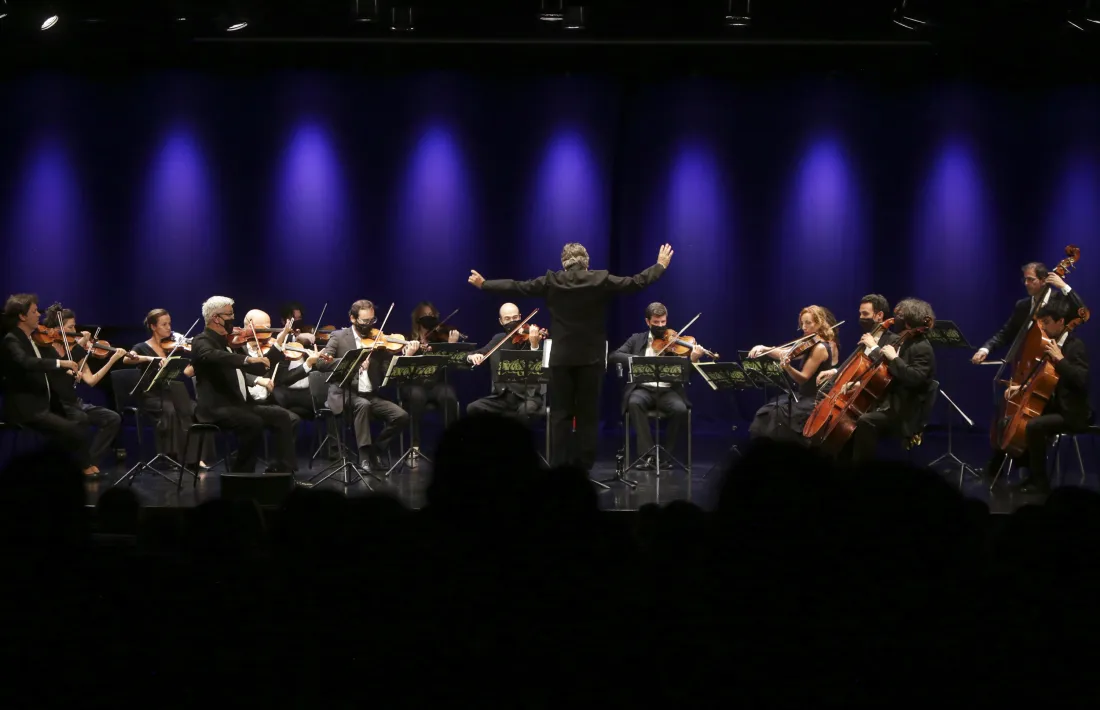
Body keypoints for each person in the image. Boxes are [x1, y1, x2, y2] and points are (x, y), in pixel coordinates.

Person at [468, 242, 674, 470]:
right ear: (587, 263)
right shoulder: (600, 279)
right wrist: (660, 266)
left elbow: (517, 287)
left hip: (561, 359)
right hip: (591, 360)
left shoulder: (551, 281)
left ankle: (559, 467)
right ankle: (583, 467)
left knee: (560, 415)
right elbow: (636, 282)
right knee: (587, 416)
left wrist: (484, 284)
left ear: (564, 264)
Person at [985, 302, 1090, 494]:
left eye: (1047, 322)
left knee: (1033, 426)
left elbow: (1081, 379)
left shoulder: (1074, 346)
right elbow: (1042, 378)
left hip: (1071, 412)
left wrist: (1060, 360)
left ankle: (1040, 483)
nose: (1045, 327)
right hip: (1053, 407)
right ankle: (1021, 472)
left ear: (1060, 322)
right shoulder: (1051, 345)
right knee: (1013, 421)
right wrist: (1020, 387)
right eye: (1042, 323)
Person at [189, 296, 300, 473]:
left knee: (282, 416)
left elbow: (258, 367)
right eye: (230, 314)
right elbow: (210, 355)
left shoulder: (230, 343)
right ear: (216, 318)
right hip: (215, 408)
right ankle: (240, 474)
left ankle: (284, 471)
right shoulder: (202, 341)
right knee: (252, 422)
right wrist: (247, 358)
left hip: (238, 405)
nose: (233, 318)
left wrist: (278, 344)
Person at [0, 294, 94, 474]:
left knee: (78, 422)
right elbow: (26, 362)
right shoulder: (12, 339)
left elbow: (49, 366)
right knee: (71, 430)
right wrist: (60, 363)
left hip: (44, 403)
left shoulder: (31, 339)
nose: (39, 315)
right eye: (34, 311)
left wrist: (68, 365)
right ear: (22, 316)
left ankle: (64, 470)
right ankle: (67, 472)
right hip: (26, 407)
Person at [317, 299, 414, 472]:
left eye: (372, 320)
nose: (369, 325)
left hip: (370, 395)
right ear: (353, 319)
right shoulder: (339, 337)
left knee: (401, 416)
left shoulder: (378, 340)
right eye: (364, 321)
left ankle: (376, 451)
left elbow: (387, 372)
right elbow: (321, 363)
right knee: (363, 405)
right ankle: (364, 458)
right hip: (344, 393)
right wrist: (352, 362)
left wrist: (406, 356)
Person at [609, 302, 705, 468]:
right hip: (643, 388)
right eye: (656, 323)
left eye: (663, 322)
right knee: (634, 402)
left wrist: (694, 359)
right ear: (648, 322)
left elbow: (687, 373)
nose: (661, 326)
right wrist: (639, 361)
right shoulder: (637, 339)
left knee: (680, 409)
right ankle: (649, 456)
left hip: (668, 390)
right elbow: (614, 356)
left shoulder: (675, 342)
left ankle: (666, 457)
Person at [39, 304, 130, 478]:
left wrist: (112, 360)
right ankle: (82, 464)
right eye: (71, 327)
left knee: (112, 418)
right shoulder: (46, 349)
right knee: (81, 419)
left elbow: (91, 380)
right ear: (58, 329)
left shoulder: (75, 350)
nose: (76, 331)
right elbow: (61, 366)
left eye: (75, 327)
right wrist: (79, 346)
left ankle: (90, 462)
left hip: (75, 402)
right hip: (57, 403)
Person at [848, 298, 938, 463]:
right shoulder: (906, 340)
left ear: (908, 323)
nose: (895, 320)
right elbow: (886, 371)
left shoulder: (922, 347)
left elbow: (914, 378)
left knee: (865, 421)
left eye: (900, 316)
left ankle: (862, 469)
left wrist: (894, 359)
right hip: (891, 402)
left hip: (905, 411)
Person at [126, 308, 212, 468]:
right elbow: (127, 359)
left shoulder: (173, 346)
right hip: (150, 395)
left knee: (195, 408)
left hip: (171, 392)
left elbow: (187, 372)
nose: (169, 327)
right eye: (164, 324)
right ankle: (172, 457)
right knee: (171, 411)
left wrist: (199, 358)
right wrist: (153, 358)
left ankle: (195, 457)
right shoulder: (141, 347)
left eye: (169, 323)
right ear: (153, 327)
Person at [746, 305, 838, 447]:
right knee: (769, 409)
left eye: (808, 323)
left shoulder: (820, 348)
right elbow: (786, 352)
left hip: (814, 399)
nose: (804, 327)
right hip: (802, 396)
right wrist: (764, 348)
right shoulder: (809, 343)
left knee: (775, 414)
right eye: (802, 323)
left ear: (819, 323)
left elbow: (803, 378)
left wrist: (788, 367)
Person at [971, 262, 1083, 364]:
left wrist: (1063, 286)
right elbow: (1006, 333)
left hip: (1057, 362)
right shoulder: (1022, 305)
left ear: (1044, 280)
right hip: (1028, 364)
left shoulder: (1060, 300)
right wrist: (985, 349)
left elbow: (1082, 312)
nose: (1026, 283)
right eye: (1025, 280)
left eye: (1030, 279)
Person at [465, 303, 544, 422]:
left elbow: (541, 365)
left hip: (528, 397)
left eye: (515, 318)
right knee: (473, 408)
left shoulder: (531, 338)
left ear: (520, 317)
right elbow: (475, 353)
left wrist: (534, 345)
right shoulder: (498, 339)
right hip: (502, 397)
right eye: (507, 319)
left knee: (525, 411)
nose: (512, 321)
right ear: (501, 321)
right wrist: (472, 357)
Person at [239, 309, 319, 423]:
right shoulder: (237, 348)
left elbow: (284, 378)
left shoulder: (275, 351)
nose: (270, 332)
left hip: (269, 400)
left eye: (270, 327)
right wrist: (257, 380)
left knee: (292, 419)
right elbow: (246, 371)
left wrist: (308, 363)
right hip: (246, 401)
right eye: (265, 328)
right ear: (249, 326)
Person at [401, 301, 460, 451]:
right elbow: (400, 371)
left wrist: (450, 347)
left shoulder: (439, 339)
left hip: (436, 384)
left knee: (449, 397)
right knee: (416, 397)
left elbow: (451, 366)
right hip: (414, 384)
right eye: (425, 315)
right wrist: (408, 354)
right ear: (417, 318)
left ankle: (451, 445)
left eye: (432, 316)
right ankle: (414, 446)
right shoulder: (407, 338)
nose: (429, 318)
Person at [816, 294, 898, 388]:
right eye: (860, 313)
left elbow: (888, 373)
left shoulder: (893, 339)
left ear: (879, 315)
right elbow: (856, 368)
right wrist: (835, 371)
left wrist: (873, 346)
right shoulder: (867, 336)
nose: (861, 317)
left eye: (865, 314)